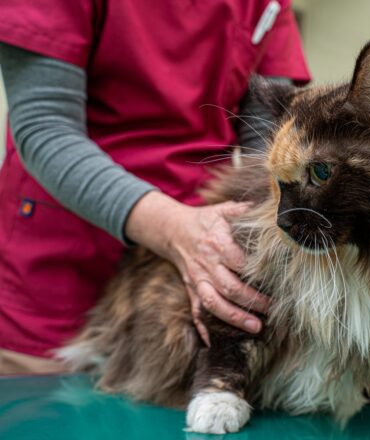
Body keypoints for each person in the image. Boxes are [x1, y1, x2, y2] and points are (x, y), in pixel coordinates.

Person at [0, 0, 310, 374]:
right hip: (64, 269)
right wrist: (176, 230)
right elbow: (45, 129)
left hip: (186, 280)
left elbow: (269, 142)